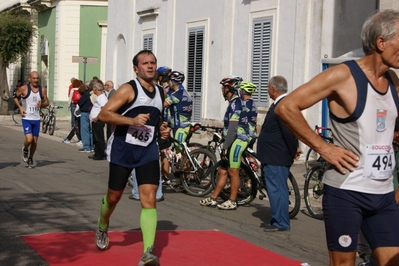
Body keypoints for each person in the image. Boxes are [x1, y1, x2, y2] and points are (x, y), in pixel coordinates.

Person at [275, 9, 399, 265]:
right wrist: (323, 148)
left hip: (384, 193)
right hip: (347, 192)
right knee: (344, 264)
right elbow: (287, 107)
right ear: (381, 42)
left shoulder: (394, 81)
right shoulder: (343, 75)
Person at [94, 49, 170, 266]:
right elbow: (103, 115)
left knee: (149, 198)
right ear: (136, 68)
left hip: (147, 150)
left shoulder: (160, 92)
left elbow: (156, 120)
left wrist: (163, 130)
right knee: (113, 197)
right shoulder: (128, 89)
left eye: (153, 62)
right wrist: (132, 121)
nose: (150, 66)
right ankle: (102, 225)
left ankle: (148, 252)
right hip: (123, 149)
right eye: (145, 63)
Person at [257, 76, 300, 232]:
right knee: (275, 189)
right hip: (272, 155)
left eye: (268, 87)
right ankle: (277, 218)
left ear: (273, 89)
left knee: (278, 190)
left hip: (277, 156)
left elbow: (290, 132)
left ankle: (281, 222)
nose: (267, 90)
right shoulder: (279, 104)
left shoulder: (283, 106)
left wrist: (294, 148)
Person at [200, 76, 248, 210]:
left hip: (237, 140)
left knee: (233, 171)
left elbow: (233, 128)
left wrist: (226, 145)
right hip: (231, 140)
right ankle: (214, 198)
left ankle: (232, 200)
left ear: (228, 89)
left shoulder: (235, 104)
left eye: (223, 88)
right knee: (222, 170)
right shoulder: (233, 102)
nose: (222, 90)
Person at [13, 71, 49, 168]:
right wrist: (20, 108)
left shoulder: (42, 90)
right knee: (29, 139)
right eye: (34, 78)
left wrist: (41, 104)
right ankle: (25, 149)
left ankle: (30, 158)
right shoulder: (24, 88)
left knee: (35, 141)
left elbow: (47, 102)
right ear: (29, 79)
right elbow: (15, 97)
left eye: (37, 78)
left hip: (36, 119)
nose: (36, 80)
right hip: (27, 118)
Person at [164, 71, 193, 150]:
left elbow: (163, 104)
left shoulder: (176, 95)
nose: (168, 83)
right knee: (181, 151)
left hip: (179, 127)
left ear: (173, 82)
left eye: (169, 81)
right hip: (186, 125)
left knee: (179, 152)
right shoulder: (186, 93)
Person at [89, 80, 107, 160]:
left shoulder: (102, 98)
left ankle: (100, 154)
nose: (93, 90)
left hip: (98, 121)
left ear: (96, 89)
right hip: (95, 120)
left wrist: (97, 117)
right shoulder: (99, 98)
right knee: (96, 137)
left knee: (98, 137)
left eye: (93, 88)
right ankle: (97, 152)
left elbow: (103, 109)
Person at [63, 79, 82, 143]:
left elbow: (70, 98)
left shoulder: (72, 90)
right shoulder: (80, 89)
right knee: (78, 119)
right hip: (79, 105)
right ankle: (75, 129)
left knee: (73, 118)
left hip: (73, 104)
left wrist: (68, 105)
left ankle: (73, 127)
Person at [77, 81, 93, 152]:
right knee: (90, 131)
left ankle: (86, 147)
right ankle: (92, 146)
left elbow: (80, 102)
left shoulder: (86, 94)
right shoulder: (93, 93)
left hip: (85, 112)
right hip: (91, 112)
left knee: (85, 130)